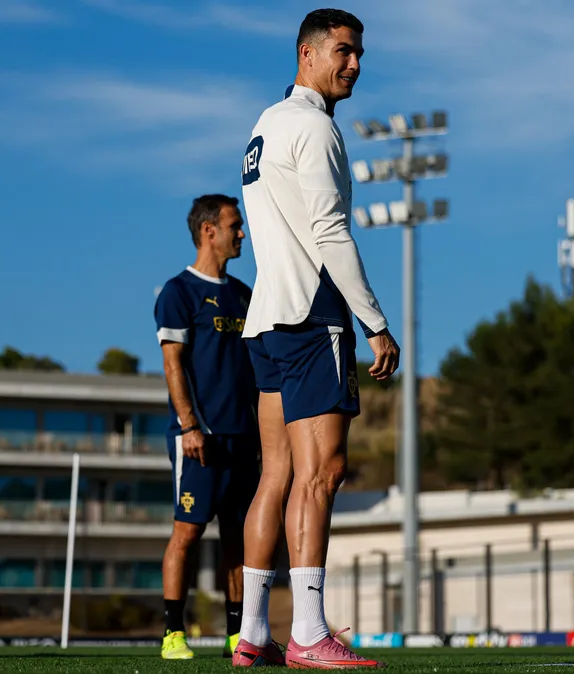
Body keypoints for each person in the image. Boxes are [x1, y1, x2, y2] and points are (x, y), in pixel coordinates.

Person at [233, 8, 400, 669]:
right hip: (311, 314)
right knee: (321, 473)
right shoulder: (314, 127)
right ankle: (307, 632)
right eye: (342, 51)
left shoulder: (264, 124)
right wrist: (374, 321)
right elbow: (330, 232)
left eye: (359, 54)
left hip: (266, 319)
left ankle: (252, 634)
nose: (354, 64)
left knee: (275, 476)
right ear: (307, 54)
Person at [154, 194, 262, 661]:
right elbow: (173, 364)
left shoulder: (245, 295)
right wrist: (189, 425)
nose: (243, 234)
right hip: (198, 437)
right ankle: (172, 634)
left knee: (237, 538)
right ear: (208, 231)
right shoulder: (178, 292)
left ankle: (237, 635)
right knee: (188, 532)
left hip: (244, 438)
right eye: (235, 225)